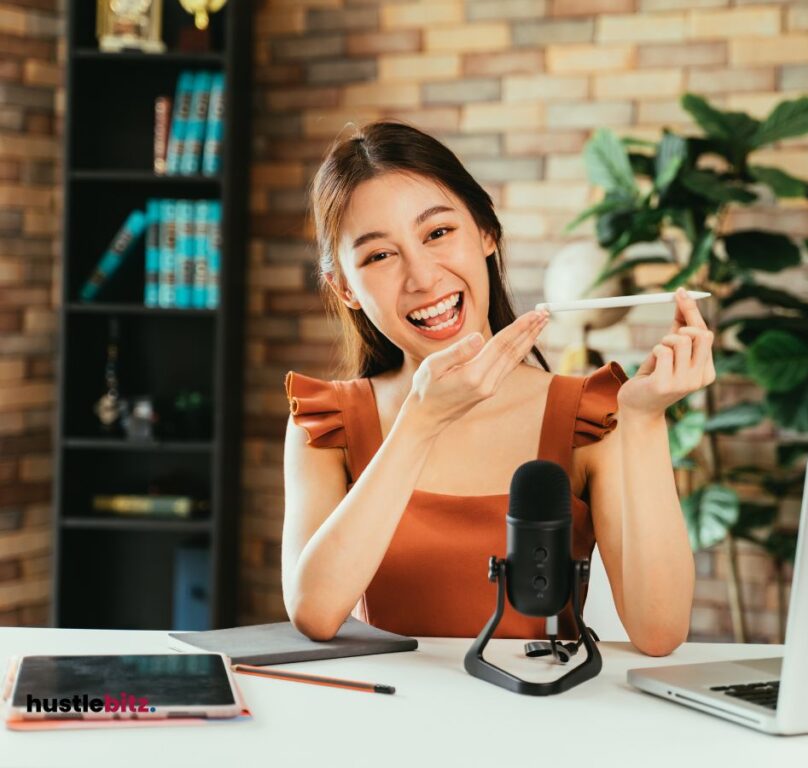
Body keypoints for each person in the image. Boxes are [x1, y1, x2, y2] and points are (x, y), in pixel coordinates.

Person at [281, 120, 716, 657]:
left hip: (548, 719)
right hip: (388, 720)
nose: (422, 277)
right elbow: (314, 613)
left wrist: (645, 421)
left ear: (487, 231)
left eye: (438, 233)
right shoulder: (329, 422)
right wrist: (420, 422)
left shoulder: (591, 414)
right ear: (344, 288)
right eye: (379, 256)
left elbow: (661, 631)